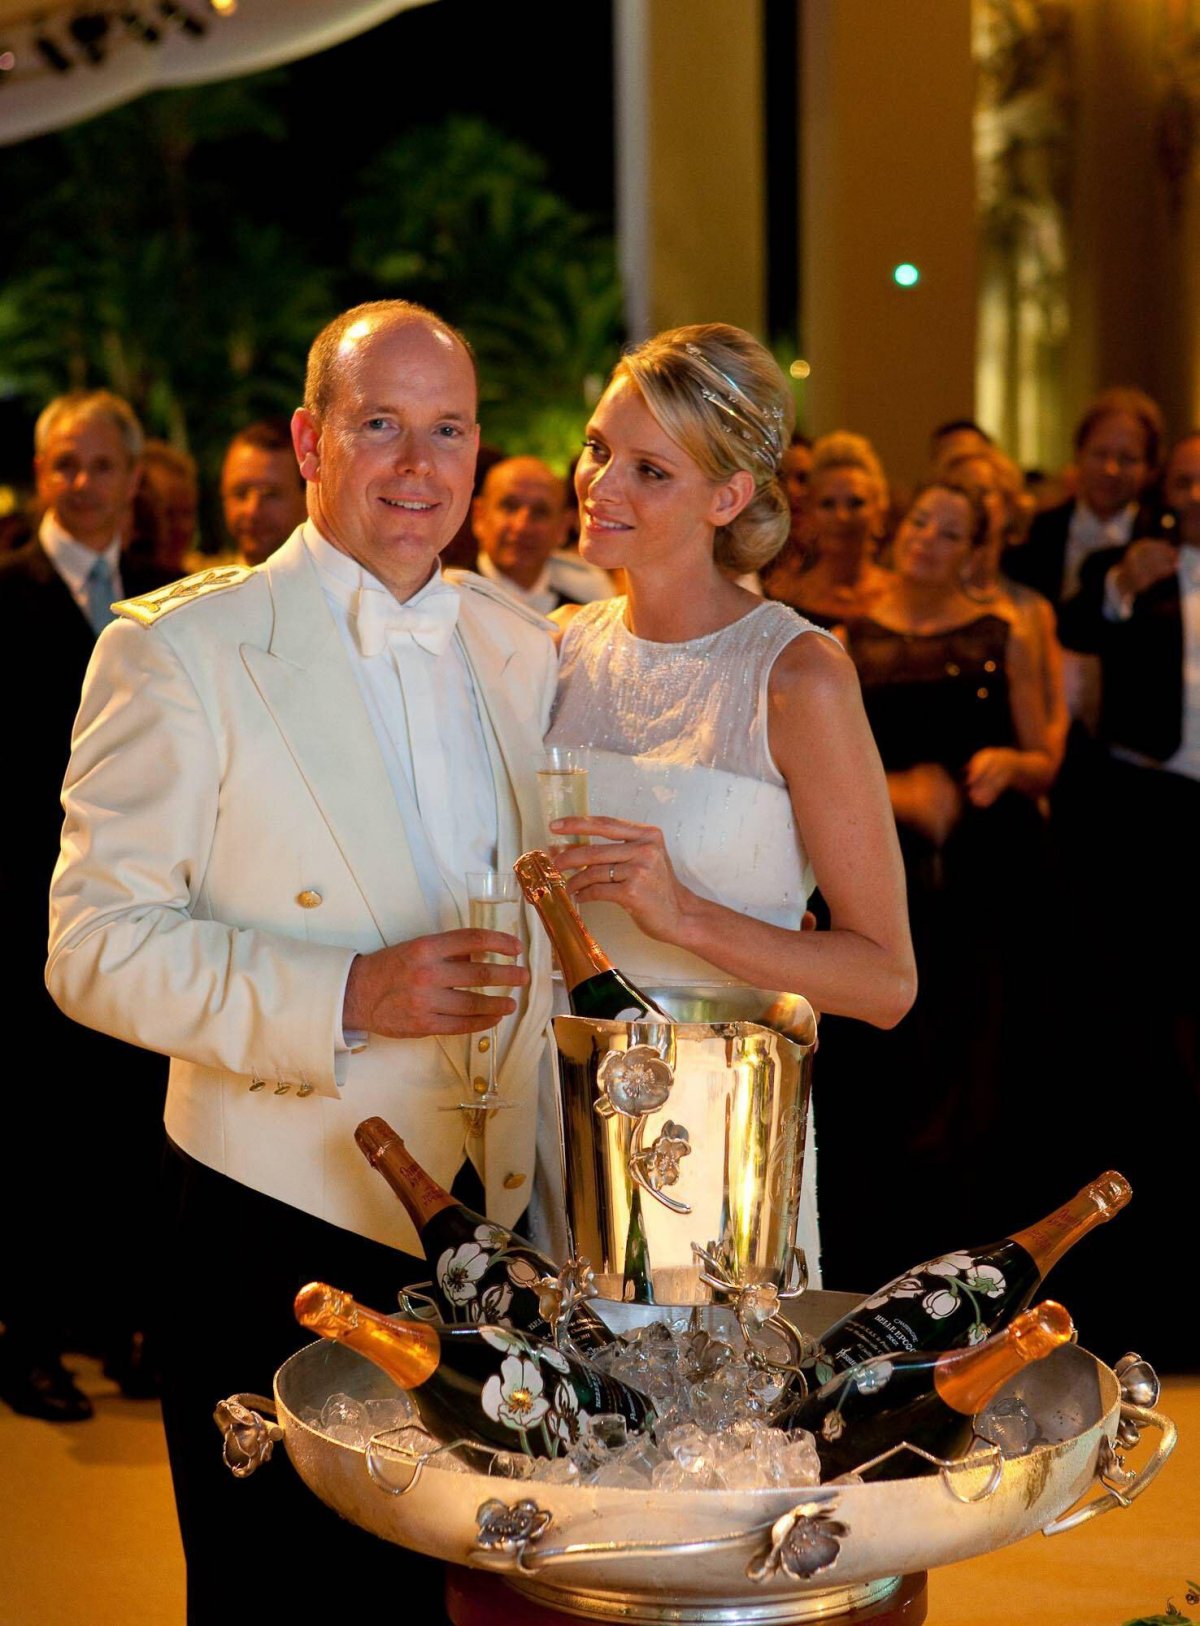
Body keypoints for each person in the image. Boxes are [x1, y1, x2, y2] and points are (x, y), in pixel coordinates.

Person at [46, 301, 557, 1616]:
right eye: (378, 423)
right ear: (307, 438)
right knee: (283, 1598)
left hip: (491, 1227)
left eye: (445, 430)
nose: (415, 463)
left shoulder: (519, 644)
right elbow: (90, 945)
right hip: (275, 1219)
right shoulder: (179, 649)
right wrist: (343, 993)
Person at [542, 324, 916, 1283]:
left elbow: (885, 982)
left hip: (719, 1153)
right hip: (550, 1125)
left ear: (728, 496)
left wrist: (684, 915)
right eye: (597, 450)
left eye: (649, 471)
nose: (602, 485)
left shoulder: (797, 676)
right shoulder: (550, 653)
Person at [823, 481, 1058, 1280]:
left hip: (987, 869)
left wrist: (1011, 763)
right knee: (887, 1064)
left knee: (979, 1063)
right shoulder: (847, 636)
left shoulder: (1005, 633)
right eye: (921, 518)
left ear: (974, 552)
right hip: (881, 868)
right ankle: (880, 1266)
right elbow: (817, 768)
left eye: (950, 531)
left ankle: (971, 1267)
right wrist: (898, 792)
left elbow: (1045, 756)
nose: (927, 536)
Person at [0, 389, 168, 1422]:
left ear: (134, 477)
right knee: (33, 1132)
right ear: (39, 474)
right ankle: (29, 1340)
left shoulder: (162, 596)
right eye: (64, 464)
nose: (83, 482)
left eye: (102, 464)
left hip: (142, 903)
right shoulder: (6, 591)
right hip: (27, 904)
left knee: (123, 1124)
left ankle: (119, 1326)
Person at [943, 444, 1069, 775]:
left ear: (1010, 507)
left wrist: (1038, 772)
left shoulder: (1031, 609)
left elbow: (1055, 711)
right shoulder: (924, 600)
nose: (973, 504)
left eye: (984, 492)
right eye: (962, 492)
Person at [1004, 387, 1163, 611]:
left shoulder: (1160, 539)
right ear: (1078, 455)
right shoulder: (1035, 533)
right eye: (1100, 454)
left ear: (1150, 469)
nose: (1111, 470)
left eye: (1127, 459)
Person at [763, 430, 892, 626]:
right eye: (827, 504)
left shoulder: (901, 595)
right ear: (809, 512)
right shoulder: (780, 596)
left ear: (880, 511)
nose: (841, 516)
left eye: (856, 503)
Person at [471, 453, 613, 612]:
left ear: (563, 527)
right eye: (509, 507)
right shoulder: (447, 601)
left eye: (540, 512)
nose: (522, 526)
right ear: (480, 516)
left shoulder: (583, 616)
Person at [219, 417, 308, 565]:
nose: (252, 510)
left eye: (270, 494)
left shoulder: (343, 585)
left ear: (307, 499)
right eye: (241, 493)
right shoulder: (204, 586)